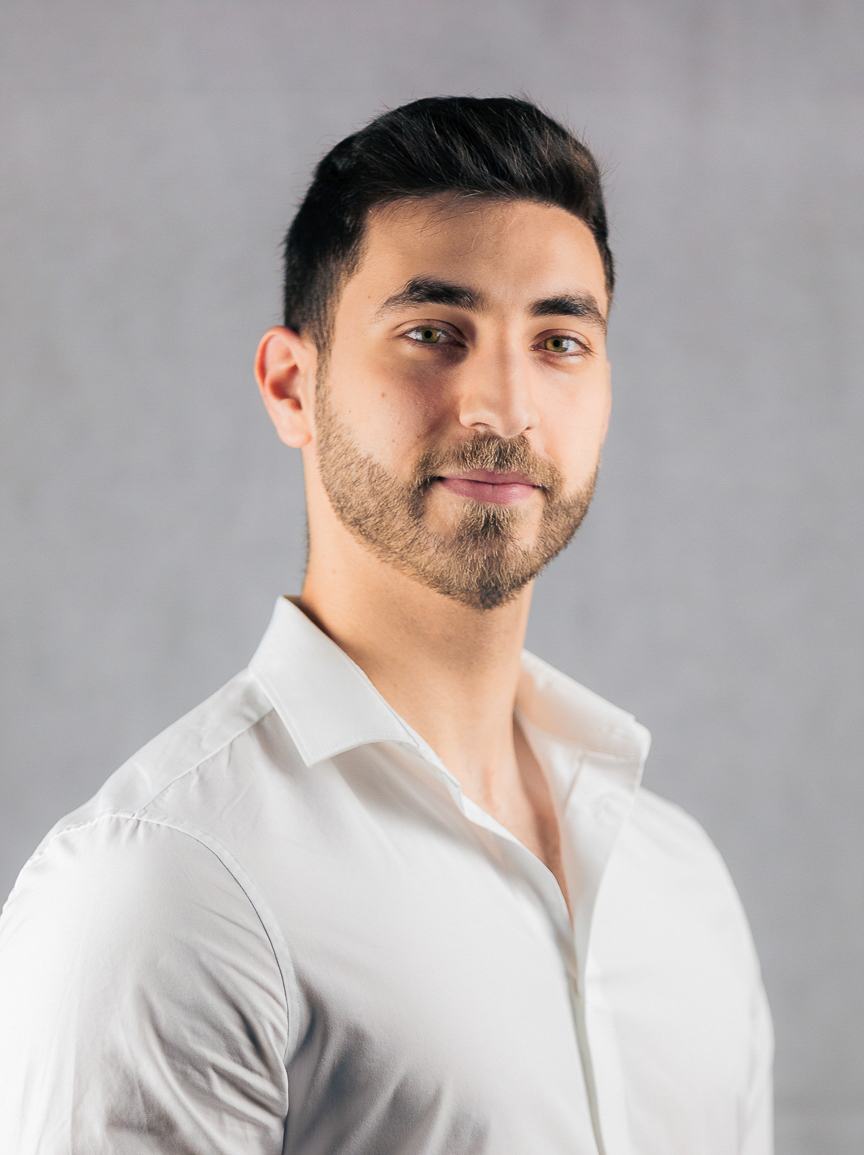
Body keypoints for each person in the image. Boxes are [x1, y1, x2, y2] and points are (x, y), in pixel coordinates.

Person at [0, 96, 773, 1154]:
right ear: (292, 386)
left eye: (559, 340)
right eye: (431, 333)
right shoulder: (159, 888)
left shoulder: (678, 878)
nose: (503, 409)